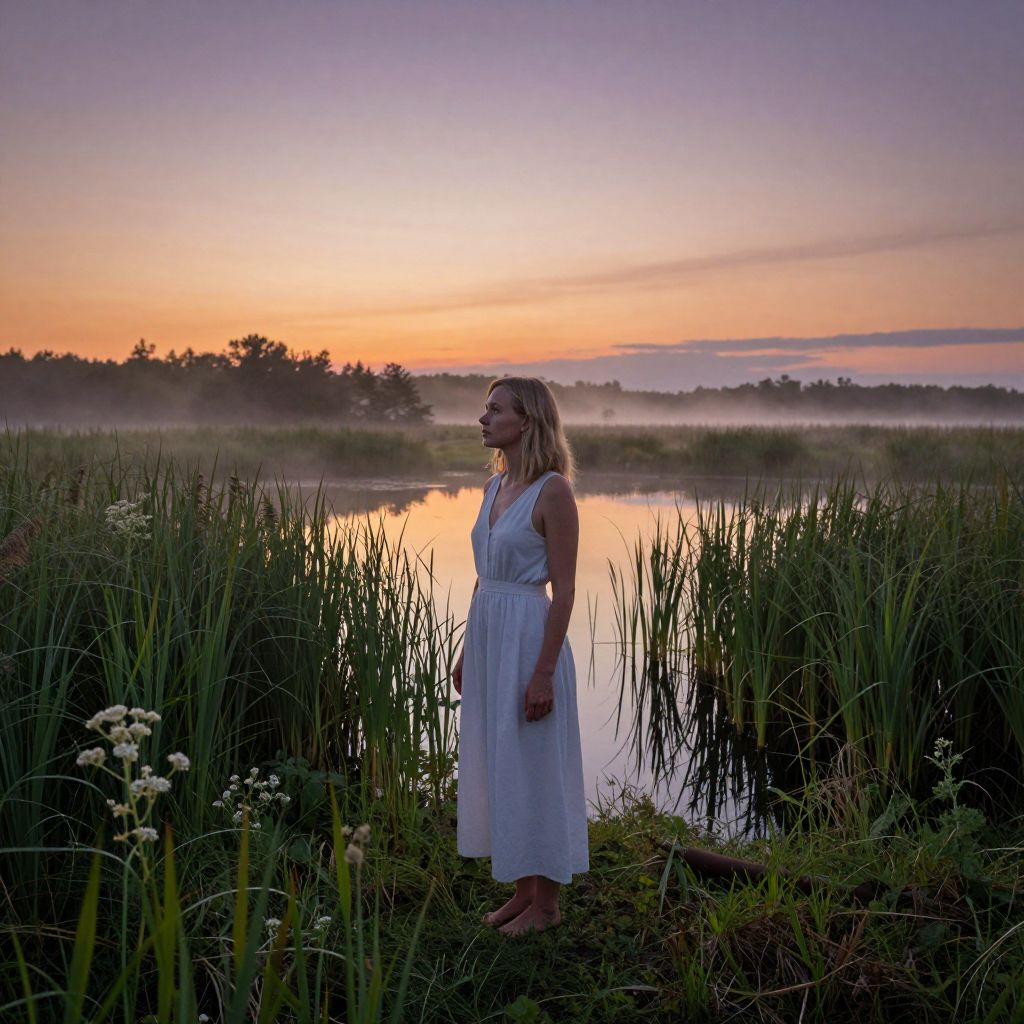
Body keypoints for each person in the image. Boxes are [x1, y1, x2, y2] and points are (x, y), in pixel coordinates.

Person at [452, 376, 589, 936]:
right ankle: (522, 892)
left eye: (495, 410)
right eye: (484, 409)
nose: (482, 419)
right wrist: (467, 647)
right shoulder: (494, 486)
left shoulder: (553, 491)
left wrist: (544, 673)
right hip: (490, 635)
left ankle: (548, 907)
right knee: (504, 760)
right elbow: (486, 579)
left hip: (531, 640)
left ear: (527, 420)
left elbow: (566, 589)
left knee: (537, 767)